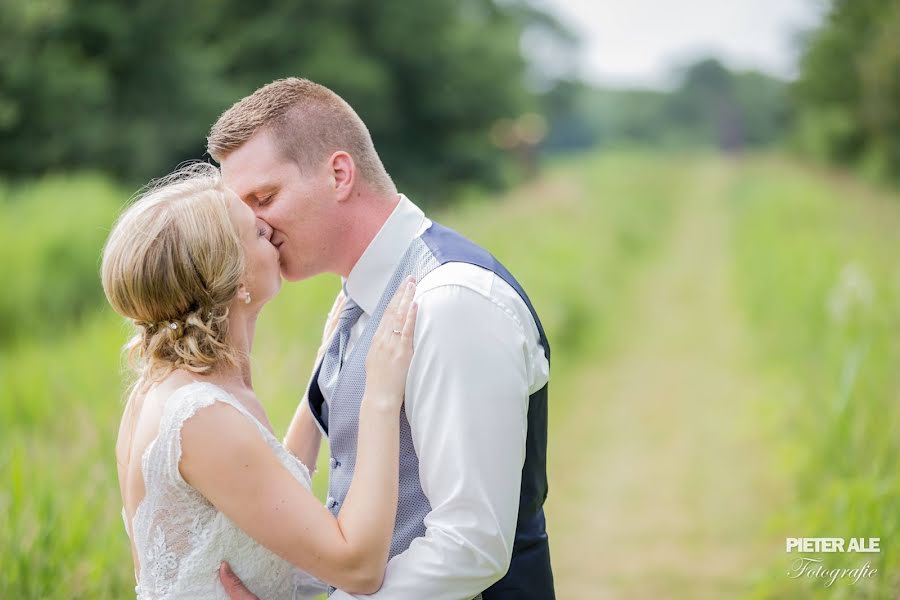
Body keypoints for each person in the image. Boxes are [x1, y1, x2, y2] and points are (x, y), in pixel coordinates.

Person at [208, 78, 554, 599]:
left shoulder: (452, 300)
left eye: (265, 197)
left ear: (339, 175)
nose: (253, 227)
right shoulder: (355, 303)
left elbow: (472, 542)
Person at [102, 162, 419, 598]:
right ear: (234, 280)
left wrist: (324, 371)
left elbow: (263, 486)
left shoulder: (181, 388)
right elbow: (358, 567)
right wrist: (380, 394)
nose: (271, 232)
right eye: (255, 232)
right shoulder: (198, 417)